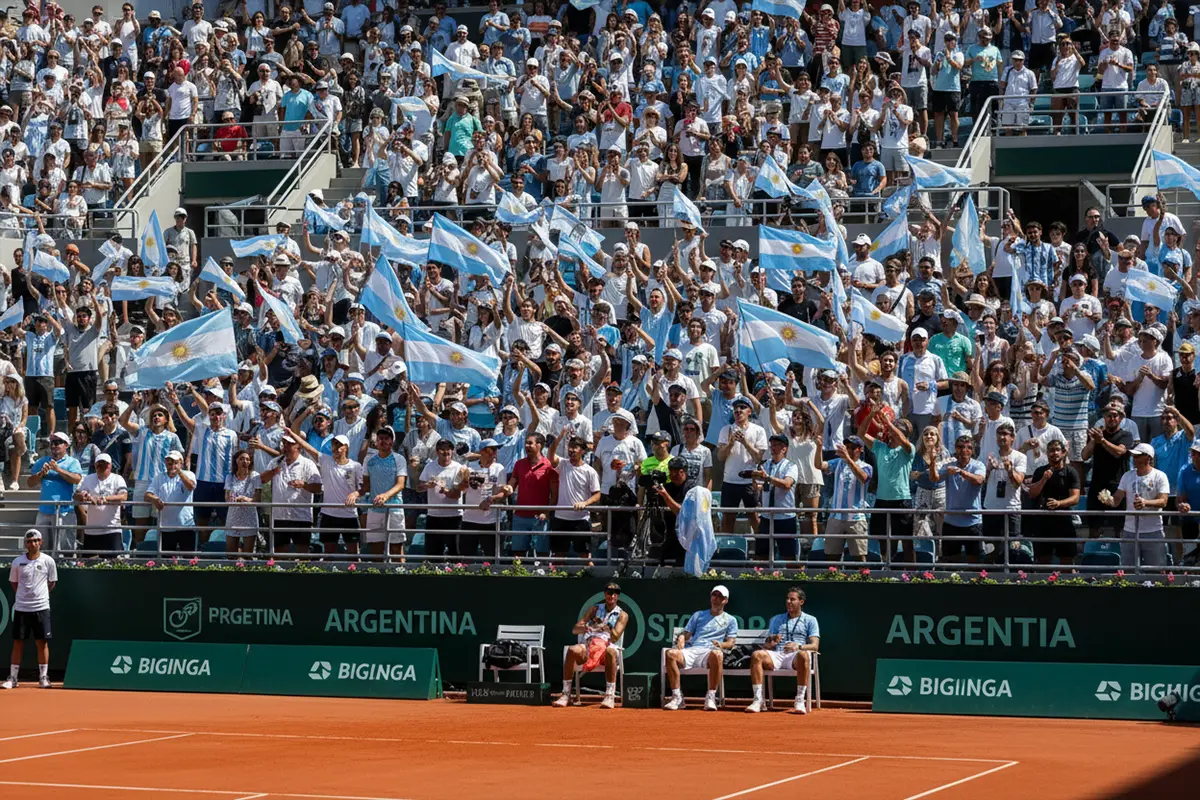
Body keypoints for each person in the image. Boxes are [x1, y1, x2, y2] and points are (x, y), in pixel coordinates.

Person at [554, 581, 630, 709]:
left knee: (611, 651)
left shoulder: (622, 615)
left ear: (618, 596)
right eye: (609, 592)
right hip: (589, 645)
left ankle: (609, 695)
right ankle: (566, 694)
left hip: (607, 647)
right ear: (605, 594)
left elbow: (615, 636)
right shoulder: (594, 609)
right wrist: (588, 627)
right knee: (572, 650)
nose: (612, 595)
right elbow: (575, 629)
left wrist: (605, 628)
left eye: (615, 593)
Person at [746, 586, 820, 714]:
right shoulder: (776, 619)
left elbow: (815, 645)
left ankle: (799, 700)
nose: (789, 602)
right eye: (787, 599)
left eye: (793, 599)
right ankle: (758, 700)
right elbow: (768, 645)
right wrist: (771, 642)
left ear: (801, 602)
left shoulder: (810, 620)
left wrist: (799, 646)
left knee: (803, 655)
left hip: (795, 656)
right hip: (778, 654)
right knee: (757, 655)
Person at [663, 585, 738, 711]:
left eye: (720, 596)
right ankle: (677, 698)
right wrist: (681, 637)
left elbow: (730, 643)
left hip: (709, 653)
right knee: (670, 653)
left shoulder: (731, 620)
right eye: (714, 595)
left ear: (725, 600)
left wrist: (721, 645)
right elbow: (687, 634)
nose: (716, 598)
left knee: (718, 654)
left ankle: (711, 697)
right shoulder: (698, 615)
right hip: (692, 650)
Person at [2, 529, 56, 690]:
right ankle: (13, 678)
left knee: (42, 642)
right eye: (29, 541)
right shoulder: (17, 562)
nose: (32, 544)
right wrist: (24, 597)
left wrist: (39, 596)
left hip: (41, 607)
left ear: (40, 542)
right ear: (25, 544)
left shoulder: (48, 561)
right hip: (21, 608)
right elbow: (14, 583)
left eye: (35, 541)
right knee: (18, 643)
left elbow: (51, 583)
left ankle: (43, 677)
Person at [1102, 442, 1170, 568]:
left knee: (1155, 570)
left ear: (1148, 458)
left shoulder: (1160, 476)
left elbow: (1163, 501)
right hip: (1130, 530)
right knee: (1128, 569)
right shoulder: (1127, 476)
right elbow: (1117, 499)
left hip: (1153, 530)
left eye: (1138, 456)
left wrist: (1146, 502)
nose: (1134, 458)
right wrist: (1108, 500)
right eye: (1134, 456)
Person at [26, 432, 83, 554]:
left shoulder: (72, 462)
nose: (53, 446)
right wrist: (41, 474)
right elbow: (30, 483)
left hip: (65, 511)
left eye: (57, 443)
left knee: (65, 548)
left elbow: (76, 479)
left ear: (66, 445)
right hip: (44, 510)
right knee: (41, 548)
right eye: (52, 443)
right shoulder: (42, 461)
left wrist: (57, 469)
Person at [1027, 439, 1081, 564]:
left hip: (1064, 521)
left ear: (1063, 453)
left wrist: (1059, 503)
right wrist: (1043, 479)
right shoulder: (1040, 471)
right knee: (1043, 561)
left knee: (1067, 562)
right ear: (1047, 453)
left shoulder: (1071, 472)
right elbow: (1032, 494)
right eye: (1051, 450)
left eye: (1057, 450)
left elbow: (1075, 498)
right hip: (1043, 521)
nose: (1054, 453)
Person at [73, 453, 129, 554]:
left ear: (110, 465)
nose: (102, 467)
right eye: (99, 464)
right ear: (95, 466)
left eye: (105, 464)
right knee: (89, 563)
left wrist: (104, 498)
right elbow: (76, 495)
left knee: (113, 562)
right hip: (91, 530)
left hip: (112, 529)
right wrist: (83, 495)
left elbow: (123, 496)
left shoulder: (117, 479)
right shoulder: (88, 478)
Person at [143, 450, 197, 553]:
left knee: (188, 558)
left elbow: (191, 486)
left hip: (186, 525)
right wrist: (155, 499)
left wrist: (179, 472)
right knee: (166, 559)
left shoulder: (189, 474)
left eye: (175, 462)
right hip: (165, 526)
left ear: (181, 463)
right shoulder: (159, 477)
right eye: (169, 462)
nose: (172, 465)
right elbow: (147, 495)